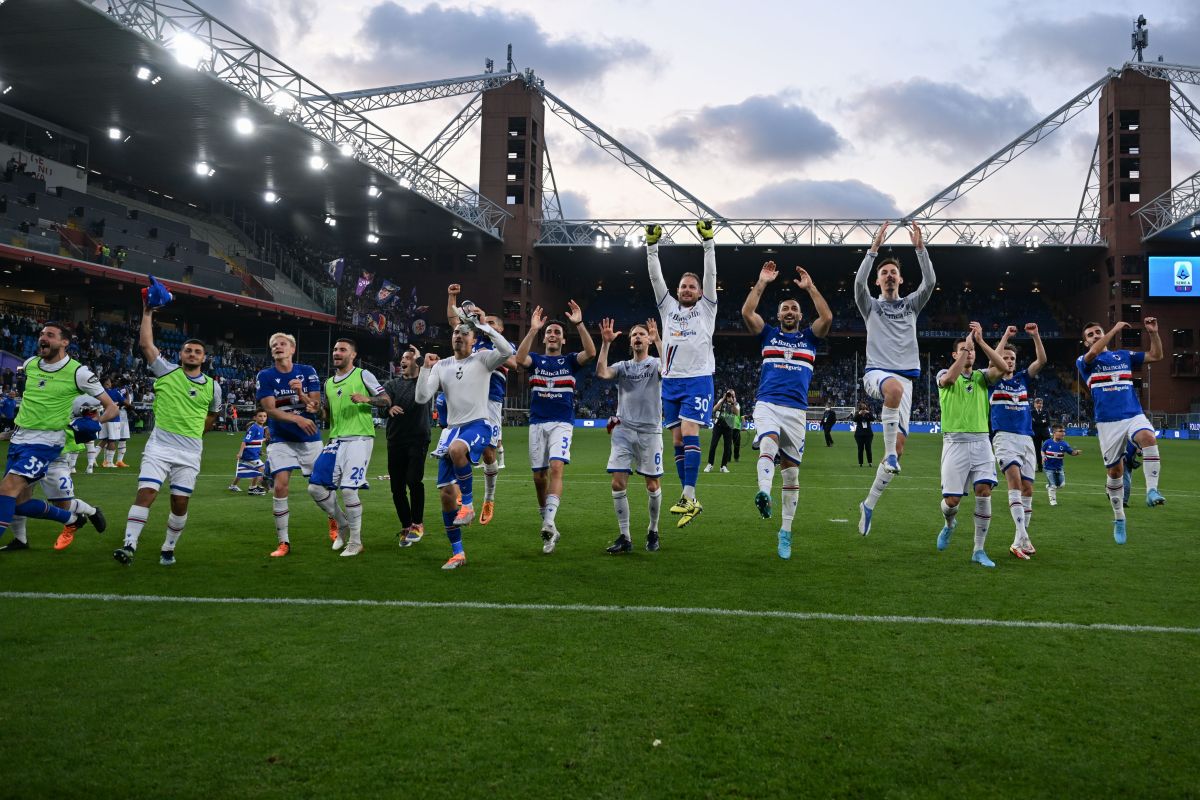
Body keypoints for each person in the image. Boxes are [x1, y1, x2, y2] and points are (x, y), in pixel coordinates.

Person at [112, 305, 221, 566]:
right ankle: (129, 545)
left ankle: (168, 547)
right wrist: (148, 312)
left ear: (204, 358)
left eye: (197, 352)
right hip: (159, 446)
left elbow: (213, 416)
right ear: (181, 354)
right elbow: (146, 344)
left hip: (190, 451)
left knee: (179, 501)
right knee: (146, 492)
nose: (192, 354)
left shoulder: (214, 387)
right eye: (188, 350)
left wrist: (195, 432)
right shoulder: (166, 371)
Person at [741, 260, 833, 559]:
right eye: (785, 309)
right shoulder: (768, 334)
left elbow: (828, 317)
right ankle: (764, 492)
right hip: (767, 401)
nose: (789, 312)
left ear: (800, 314)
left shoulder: (810, 338)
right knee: (768, 439)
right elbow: (746, 313)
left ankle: (785, 532)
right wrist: (762, 282)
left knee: (791, 477)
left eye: (794, 308)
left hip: (796, 412)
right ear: (778, 314)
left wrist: (811, 288)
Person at [0, 321, 116, 551]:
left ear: (65, 342)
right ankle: (70, 519)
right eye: (42, 334)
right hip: (19, 438)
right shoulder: (31, 364)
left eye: (50, 335)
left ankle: (75, 516)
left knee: (6, 490)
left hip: (46, 442)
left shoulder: (79, 372)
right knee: (18, 504)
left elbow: (112, 407)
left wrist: (93, 423)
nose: (43, 338)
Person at [854, 221, 936, 536]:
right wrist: (873, 251)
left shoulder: (911, 305)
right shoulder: (870, 306)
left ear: (901, 279)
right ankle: (887, 452)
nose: (889, 275)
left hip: (905, 384)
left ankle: (869, 504)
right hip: (878, 374)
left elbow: (929, 282)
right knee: (892, 390)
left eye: (893, 272)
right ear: (878, 280)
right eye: (884, 272)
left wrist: (920, 249)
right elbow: (857, 284)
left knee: (899, 449)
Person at [415, 315, 513, 569]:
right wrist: (425, 368)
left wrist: (483, 326)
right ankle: (458, 553)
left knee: (458, 450)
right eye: (455, 332)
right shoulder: (442, 366)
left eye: (464, 333)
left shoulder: (482, 359)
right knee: (447, 496)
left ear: (474, 339)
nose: (458, 335)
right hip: (452, 430)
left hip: (479, 424)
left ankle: (468, 504)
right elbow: (422, 397)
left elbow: (506, 351)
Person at [645, 219, 717, 528]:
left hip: (698, 380)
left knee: (689, 432)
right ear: (678, 290)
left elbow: (712, 274)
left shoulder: (707, 309)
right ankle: (689, 498)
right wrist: (651, 247)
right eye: (683, 286)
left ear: (701, 292)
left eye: (692, 287)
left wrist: (708, 244)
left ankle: (689, 494)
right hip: (670, 382)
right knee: (676, 440)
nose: (687, 289)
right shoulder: (667, 308)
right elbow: (654, 277)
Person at [514, 301, 596, 553]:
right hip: (537, 423)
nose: (552, 334)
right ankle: (549, 527)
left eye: (557, 333)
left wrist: (579, 324)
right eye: (548, 332)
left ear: (562, 341)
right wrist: (532, 329)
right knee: (539, 478)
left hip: (562, 422)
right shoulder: (536, 360)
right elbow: (518, 359)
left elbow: (591, 353)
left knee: (556, 466)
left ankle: (549, 520)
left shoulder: (570, 361)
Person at [1077, 318, 1165, 544]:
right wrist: (1114, 329)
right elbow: (1094, 352)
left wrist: (1153, 333)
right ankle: (1119, 519)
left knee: (1147, 436)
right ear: (1085, 342)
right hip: (1108, 423)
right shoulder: (1084, 362)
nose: (1095, 336)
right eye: (1091, 335)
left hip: (1132, 414)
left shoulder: (1124, 356)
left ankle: (1152, 491)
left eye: (1098, 332)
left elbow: (1156, 356)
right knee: (1115, 473)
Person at [256, 332, 337, 558]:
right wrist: (298, 418)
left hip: (308, 439)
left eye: (282, 344)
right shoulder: (266, 375)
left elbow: (315, 405)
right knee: (281, 485)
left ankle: (334, 520)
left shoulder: (307, 371)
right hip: (281, 438)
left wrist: (300, 393)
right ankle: (284, 542)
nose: (278, 347)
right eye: (274, 345)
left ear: (292, 349)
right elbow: (270, 410)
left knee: (320, 486)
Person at [309, 338, 389, 557]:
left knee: (348, 489)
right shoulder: (328, 383)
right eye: (335, 349)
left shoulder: (363, 375)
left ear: (353, 355)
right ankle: (342, 524)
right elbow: (327, 416)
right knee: (315, 488)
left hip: (359, 439)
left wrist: (366, 399)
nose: (337, 352)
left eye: (342, 349)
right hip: (335, 440)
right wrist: (317, 411)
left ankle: (355, 541)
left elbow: (386, 400)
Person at [446, 285, 517, 525]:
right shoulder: (471, 341)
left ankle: (489, 498)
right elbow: (452, 320)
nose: (490, 326)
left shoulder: (499, 344)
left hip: (490, 402)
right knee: (455, 448)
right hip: (464, 401)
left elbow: (515, 363)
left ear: (500, 328)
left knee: (488, 451)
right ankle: (464, 496)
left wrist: (487, 328)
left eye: (494, 324)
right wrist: (452, 297)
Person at [595, 317, 664, 554]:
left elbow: (670, 370)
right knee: (617, 482)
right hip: (623, 430)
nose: (637, 337)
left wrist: (659, 341)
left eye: (642, 334)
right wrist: (605, 344)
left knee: (653, 485)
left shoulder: (656, 364)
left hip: (650, 432)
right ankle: (625, 537)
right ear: (630, 341)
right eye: (634, 334)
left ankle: (653, 530)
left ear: (649, 341)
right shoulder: (623, 367)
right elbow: (602, 373)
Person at [934, 323, 1001, 568]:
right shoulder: (943, 373)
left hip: (982, 441)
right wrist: (966, 348)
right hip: (954, 443)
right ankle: (949, 524)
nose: (969, 353)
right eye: (964, 350)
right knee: (952, 501)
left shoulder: (982, 377)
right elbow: (950, 379)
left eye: (971, 351)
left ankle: (979, 550)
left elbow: (1003, 368)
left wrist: (981, 342)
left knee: (984, 491)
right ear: (955, 354)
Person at [988, 323, 1047, 560]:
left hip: (1026, 438)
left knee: (1028, 488)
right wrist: (1004, 337)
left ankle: (1017, 541)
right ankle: (1024, 536)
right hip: (1004, 437)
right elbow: (993, 363)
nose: (1009, 361)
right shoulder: (991, 380)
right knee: (1013, 478)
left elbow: (1041, 360)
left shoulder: (1023, 378)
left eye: (1012, 358)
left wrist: (1035, 335)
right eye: (1005, 357)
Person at [384, 345, 431, 546]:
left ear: (416, 362)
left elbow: (426, 383)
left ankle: (418, 524)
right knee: (396, 488)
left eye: (409, 358)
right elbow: (381, 407)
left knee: (413, 480)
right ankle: (406, 525)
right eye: (402, 358)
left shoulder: (425, 382)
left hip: (418, 438)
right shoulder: (391, 385)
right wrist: (388, 408)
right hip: (395, 439)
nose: (403, 361)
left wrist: (421, 359)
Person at [228, 410, 268, 495]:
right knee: (261, 468)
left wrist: (259, 451)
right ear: (255, 417)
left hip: (253, 453)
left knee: (243, 469)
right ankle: (252, 488)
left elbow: (254, 442)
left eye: (264, 416)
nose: (262, 418)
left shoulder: (261, 428)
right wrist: (240, 453)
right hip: (249, 454)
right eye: (260, 416)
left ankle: (233, 485)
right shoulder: (254, 428)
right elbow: (245, 441)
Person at [1041, 424, 1082, 506]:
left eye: (1064, 431)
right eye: (1060, 431)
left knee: (1061, 485)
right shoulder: (1047, 442)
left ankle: (1049, 486)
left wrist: (1076, 452)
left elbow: (1071, 452)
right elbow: (1042, 450)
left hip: (1059, 468)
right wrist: (1043, 456)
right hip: (1048, 467)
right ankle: (1053, 500)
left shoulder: (1064, 444)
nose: (1063, 433)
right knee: (1053, 485)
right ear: (1054, 432)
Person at [704, 390, 739, 473]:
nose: (729, 396)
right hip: (718, 426)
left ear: (734, 396)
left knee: (727, 448)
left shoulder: (735, 403)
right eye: (728, 394)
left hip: (728, 427)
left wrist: (732, 403)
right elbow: (714, 409)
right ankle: (710, 464)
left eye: (731, 395)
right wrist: (723, 400)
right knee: (713, 445)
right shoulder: (721, 401)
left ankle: (723, 466)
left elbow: (737, 413)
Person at [852, 402, 875, 467]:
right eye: (862, 408)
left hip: (868, 434)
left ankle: (870, 462)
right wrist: (859, 414)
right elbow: (854, 420)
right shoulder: (857, 413)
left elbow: (873, 419)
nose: (863, 410)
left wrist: (868, 413)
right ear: (860, 409)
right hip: (859, 434)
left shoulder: (868, 414)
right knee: (860, 449)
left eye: (864, 408)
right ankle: (860, 463)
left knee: (868, 448)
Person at [1031, 397, 1051, 472]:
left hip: (1045, 434)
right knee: (1037, 451)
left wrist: (1038, 421)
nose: (1039, 405)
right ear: (1034, 404)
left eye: (1041, 403)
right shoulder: (1031, 412)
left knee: (1048, 450)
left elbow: (1048, 423)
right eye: (1038, 403)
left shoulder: (1046, 412)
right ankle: (1040, 467)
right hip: (1036, 434)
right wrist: (1042, 421)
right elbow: (1033, 423)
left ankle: (1049, 466)